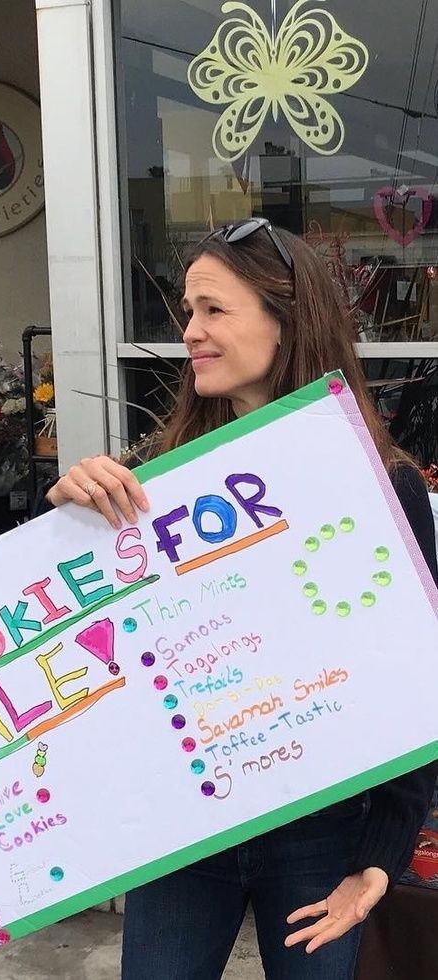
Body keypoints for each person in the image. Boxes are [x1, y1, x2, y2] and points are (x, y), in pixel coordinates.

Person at [40, 218, 438, 979]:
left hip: (322, 829)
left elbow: (415, 682)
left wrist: (380, 859)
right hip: (184, 824)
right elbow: (76, 627)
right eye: (188, 311)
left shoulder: (380, 487)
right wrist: (65, 519)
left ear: (287, 320)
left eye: (213, 310)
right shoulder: (153, 485)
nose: (191, 332)